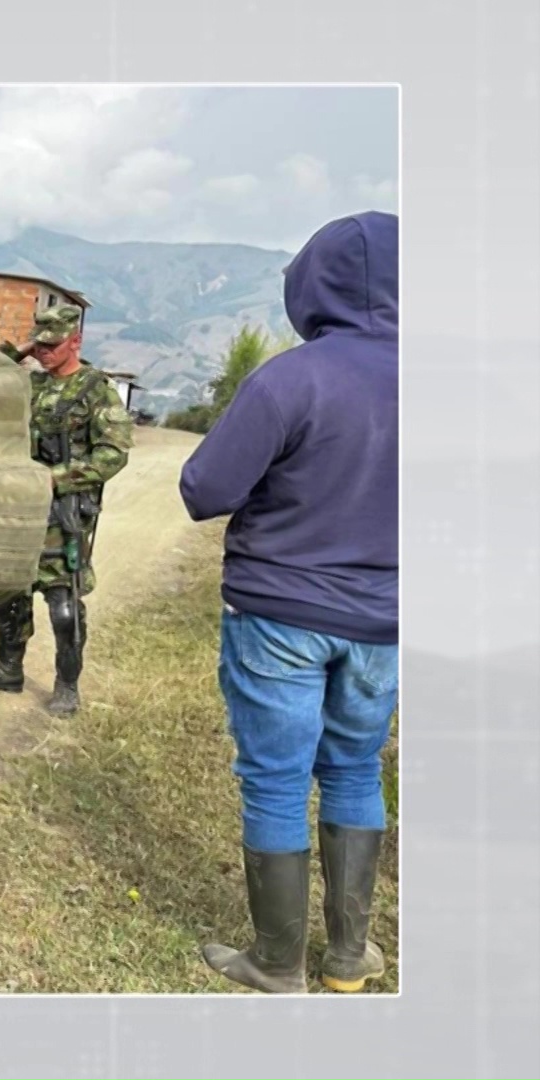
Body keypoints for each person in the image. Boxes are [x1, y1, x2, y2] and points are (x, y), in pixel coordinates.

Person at [183, 211, 399, 994]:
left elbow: (205, 489)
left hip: (279, 614)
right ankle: (348, 957)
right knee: (354, 769)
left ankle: (278, 962)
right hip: (387, 623)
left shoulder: (291, 377)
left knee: (276, 780)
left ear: (314, 283)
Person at [0, 303, 133, 715]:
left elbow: (113, 454)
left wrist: (56, 477)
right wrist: (25, 350)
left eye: (53, 344)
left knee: (63, 604)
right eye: (39, 344)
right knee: (8, 593)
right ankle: (10, 669)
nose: (44, 352)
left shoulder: (95, 387)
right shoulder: (33, 384)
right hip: (17, 508)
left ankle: (67, 685)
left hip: (63, 510)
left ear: (76, 341)